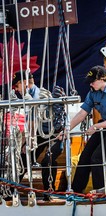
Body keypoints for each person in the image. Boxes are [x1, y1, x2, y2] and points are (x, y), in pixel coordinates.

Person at [60, 65, 106, 193]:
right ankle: (75, 191)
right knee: (85, 156)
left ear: (102, 79)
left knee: (98, 158)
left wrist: (95, 126)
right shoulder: (93, 93)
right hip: (104, 126)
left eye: (92, 81)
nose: (90, 84)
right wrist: (67, 130)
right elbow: (82, 113)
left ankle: (100, 192)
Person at [12, 70, 65, 201]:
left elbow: (32, 123)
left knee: (48, 160)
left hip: (56, 134)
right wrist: (25, 143)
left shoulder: (33, 97)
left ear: (23, 83)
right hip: (40, 133)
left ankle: (49, 193)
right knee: (23, 158)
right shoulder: (34, 93)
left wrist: (29, 142)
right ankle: (11, 190)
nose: (17, 90)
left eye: (16, 86)